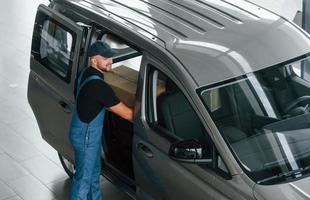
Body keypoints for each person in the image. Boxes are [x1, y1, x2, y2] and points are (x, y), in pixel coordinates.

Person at [69, 41, 133, 200]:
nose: (110, 61)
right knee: (83, 179)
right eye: (105, 58)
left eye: (111, 57)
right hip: (86, 137)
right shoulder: (100, 88)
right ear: (93, 60)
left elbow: (89, 99)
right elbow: (129, 115)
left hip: (81, 132)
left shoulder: (84, 73)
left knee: (93, 173)